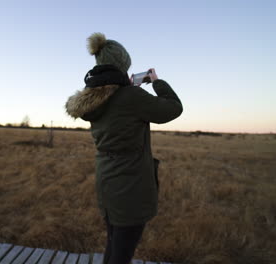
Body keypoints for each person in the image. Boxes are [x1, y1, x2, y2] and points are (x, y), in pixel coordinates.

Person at [65, 32, 183, 264]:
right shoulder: (131, 96)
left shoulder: (95, 101)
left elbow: (117, 108)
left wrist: (125, 88)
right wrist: (156, 81)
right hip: (131, 187)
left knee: (114, 244)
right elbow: (173, 108)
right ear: (122, 64)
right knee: (122, 253)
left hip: (107, 182)